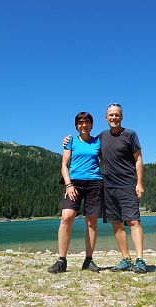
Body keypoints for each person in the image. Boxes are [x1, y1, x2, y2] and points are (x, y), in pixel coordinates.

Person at [64, 103, 147, 273]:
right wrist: (67, 140)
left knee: (133, 221)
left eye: (117, 115)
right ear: (106, 118)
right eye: (111, 115)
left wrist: (139, 183)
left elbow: (138, 160)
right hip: (107, 186)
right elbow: (87, 145)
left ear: (121, 117)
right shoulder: (101, 137)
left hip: (127, 184)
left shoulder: (130, 135)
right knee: (116, 223)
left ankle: (140, 260)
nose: (114, 118)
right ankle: (126, 259)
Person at [48, 112, 103, 274]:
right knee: (66, 217)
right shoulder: (70, 141)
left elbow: (107, 160)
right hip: (74, 184)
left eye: (87, 122)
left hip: (94, 184)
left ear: (92, 125)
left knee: (91, 222)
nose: (83, 125)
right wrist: (69, 184)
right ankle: (61, 260)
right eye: (80, 123)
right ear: (76, 126)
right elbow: (64, 165)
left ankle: (88, 260)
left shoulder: (98, 142)